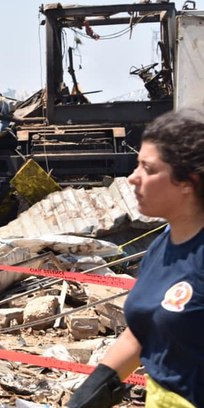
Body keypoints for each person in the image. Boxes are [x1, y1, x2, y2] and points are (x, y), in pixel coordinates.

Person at [68, 107, 204, 407]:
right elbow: (143, 330)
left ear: (186, 182)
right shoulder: (162, 246)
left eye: (148, 168)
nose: (132, 178)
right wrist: (93, 390)